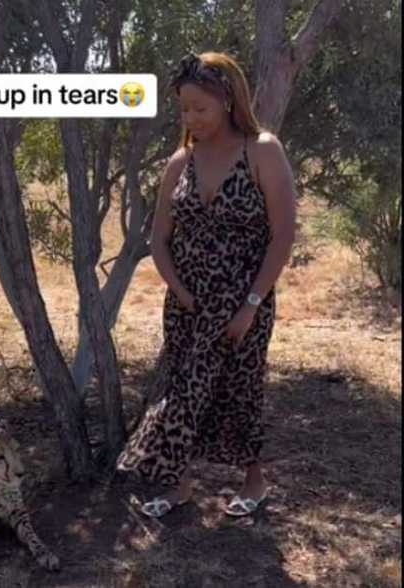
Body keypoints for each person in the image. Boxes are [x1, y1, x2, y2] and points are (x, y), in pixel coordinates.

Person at [116, 52, 297, 518]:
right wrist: (178, 291)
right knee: (185, 389)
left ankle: (254, 481)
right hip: (187, 303)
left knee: (241, 385)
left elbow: (282, 235)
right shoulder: (180, 162)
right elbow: (159, 239)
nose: (191, 118)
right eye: (184, 109)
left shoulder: (262, 150)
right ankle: (178, 483)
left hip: (244, 299)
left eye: (201, 108)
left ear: (229, 101)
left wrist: (252, 304)